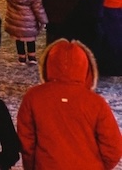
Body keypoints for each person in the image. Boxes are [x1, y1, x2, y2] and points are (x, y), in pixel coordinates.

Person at [15, 38, 122, 170]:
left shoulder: (33, 97)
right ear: (87, 68)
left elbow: (26, 142)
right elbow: (114, 147)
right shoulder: (96, 102)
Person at [0, 0, 46, 66]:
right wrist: (44, 21)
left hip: (14, 23)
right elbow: (38, 8)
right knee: (30, 40)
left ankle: (22, 57)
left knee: (18, 40)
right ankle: (32, 57)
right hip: (29, 24)